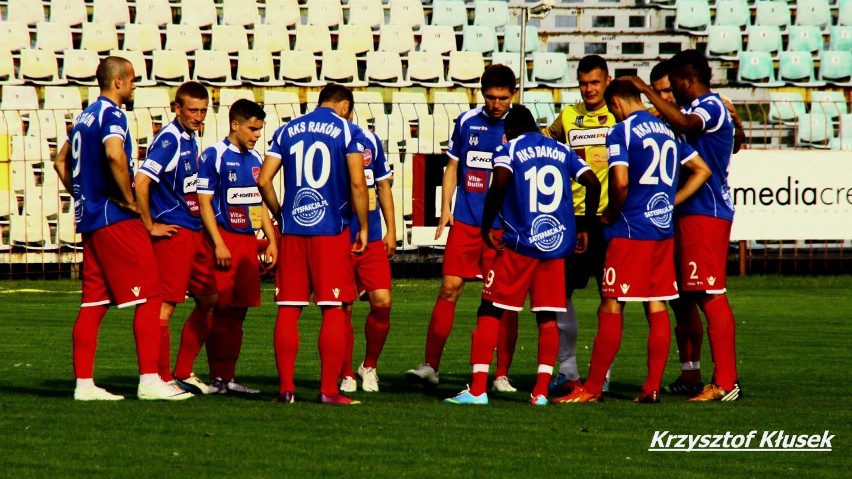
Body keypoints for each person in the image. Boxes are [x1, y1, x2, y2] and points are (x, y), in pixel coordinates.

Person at [554, 79, 711, 404]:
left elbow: (621, 183)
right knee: (657, 306)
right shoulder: (668, 130)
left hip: (629, 232)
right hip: (661, 231)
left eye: (612, 108)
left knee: (611, 304)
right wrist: (671, 202)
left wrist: (611, 213)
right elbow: (702, 170)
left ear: (616, 103)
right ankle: (651, 387)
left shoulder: (620, 131)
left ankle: (593, 387)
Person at [54, 56, 191, 400]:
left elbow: (60, 161)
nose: (133, 88)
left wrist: (83, 195)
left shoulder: (84, 117)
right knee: (151, 295)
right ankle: (149, 381)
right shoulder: (112, 114)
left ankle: (84, 385)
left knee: (93, 303)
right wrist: (129, 199)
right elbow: (115, 155)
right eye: (131, 81)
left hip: (90, 220)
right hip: (115, 218)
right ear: (118, 82)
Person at [444, 105, 600, 406]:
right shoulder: (561, 149)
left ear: (509, 130)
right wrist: (587, 227)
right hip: (555, 246)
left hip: (519, 245)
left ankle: (477, 390)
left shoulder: (509, 149)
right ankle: (540, 393)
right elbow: (592, 183)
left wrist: (487, 224)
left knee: (490, 309)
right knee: (547, 317)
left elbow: (500, 183)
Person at [624, 50, 742, 402]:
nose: (670, 91)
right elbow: (732, 141)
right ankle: (693, 374)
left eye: (673, 84)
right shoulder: (698, 110)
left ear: (688, 81)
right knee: (687, 295)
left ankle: (726, 381)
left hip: (706, 211)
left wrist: (644, 88)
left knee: (710, 293)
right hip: (687, 213)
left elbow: (688, 126)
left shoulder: (711, 106)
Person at [406, 64, 521, 393]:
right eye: (490, 97)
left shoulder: (519, 127)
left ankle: (500, 375)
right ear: (481, 94)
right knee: (449, 289)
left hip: (502, 229)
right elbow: (453, 165)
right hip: (468, 223)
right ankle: (430, 366)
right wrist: (445, 208)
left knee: (503, 301)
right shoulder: (467, 122)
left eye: (502, 97)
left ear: (512, 94)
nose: (496, 103)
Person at [258, 84, 370, 405]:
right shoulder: (347, 131)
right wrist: (362, 226)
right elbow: (358, 183)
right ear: (345, 105)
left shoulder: (287, 130)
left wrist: (281, 214)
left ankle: (286, 389)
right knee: (332, 308)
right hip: (330, 231)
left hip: (293, 231)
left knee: (289, 309)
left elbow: (264, 179)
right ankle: (328, 390)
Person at [134, 81, 219, 395]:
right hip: (173, 232)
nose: (198, 116)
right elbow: (141, 182)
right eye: (192, 110)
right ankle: (161, 377)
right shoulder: (169, 139)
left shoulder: (189, 138)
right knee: (164, 307)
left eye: (203, 110)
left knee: (210, 300)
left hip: (193, 231)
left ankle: (183, 371)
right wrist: (150, 225)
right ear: (177, 108)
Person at [542, 55, 616, 395]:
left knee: (611, 295)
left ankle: (604, 373)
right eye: (584, 83)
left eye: (595, 82)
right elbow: (543, 140)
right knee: (561, 294)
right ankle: (568, 369)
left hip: (609, 219)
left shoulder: (619, 114)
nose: (589, 89)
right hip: (570, 219)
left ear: (607, 81)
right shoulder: (568, 116)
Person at [196, 99, 277, 395]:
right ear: (235, 125)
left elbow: (259, 205)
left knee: (240, 311)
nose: (256, 135)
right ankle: (216, 377)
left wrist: (272, 241)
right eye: (253, 129)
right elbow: (204, 202)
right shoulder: (214, 155)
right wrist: (217, 243)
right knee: (221, 310)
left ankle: (229, 376)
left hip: (247, 243)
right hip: (224, 240)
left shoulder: (256, 160)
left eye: (259, 130)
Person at [339, 125, 396, 393]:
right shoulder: (327, 140)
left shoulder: (370, 140)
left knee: (383, 302)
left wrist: (392, 230)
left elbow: (382, 184)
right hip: (338, 239)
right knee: (342, 309)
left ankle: (369, 366)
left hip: (372, 238)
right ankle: (346, 372)